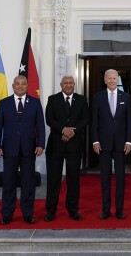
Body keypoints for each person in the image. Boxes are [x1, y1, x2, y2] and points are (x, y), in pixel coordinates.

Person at [0, 75, 45, 225]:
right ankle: (7, 213)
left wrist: (40, 144)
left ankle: (28, 213)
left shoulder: (35, 103)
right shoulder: (4, 103)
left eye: (23, 84)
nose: (20, 86)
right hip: (9, 149)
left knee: (28, 183)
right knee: (9, 182)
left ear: (27, 86)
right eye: (18, 84)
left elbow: (40, 125)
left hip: (29, 149)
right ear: (13, 85)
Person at [91, 68, 131, 220]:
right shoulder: (98, 97)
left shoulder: (126, 97)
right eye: (108, 78)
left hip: (121, 145)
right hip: (103, 145)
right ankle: (105, 210)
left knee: (121, 179)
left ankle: (120, 210)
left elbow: (130, 121)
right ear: (104, 80)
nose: (111, 81)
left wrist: (129, 141)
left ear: (118, 79)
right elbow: (94, 121)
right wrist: (95, 140)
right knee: (105, 178)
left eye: (114, 78)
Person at [44, 75, 89, 221]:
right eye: (66, 83)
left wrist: (72, 131)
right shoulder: (52, 99)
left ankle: (73, 210)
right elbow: (49, 119)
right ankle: (51, 210)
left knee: (74, 180)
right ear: (61, 84)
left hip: (74, 146)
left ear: (74, 84)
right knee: (53, 179)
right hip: (56, 146)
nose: (68, 85)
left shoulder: (81, 99)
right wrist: (63, 130)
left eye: (71, 83)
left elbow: (85, 119)